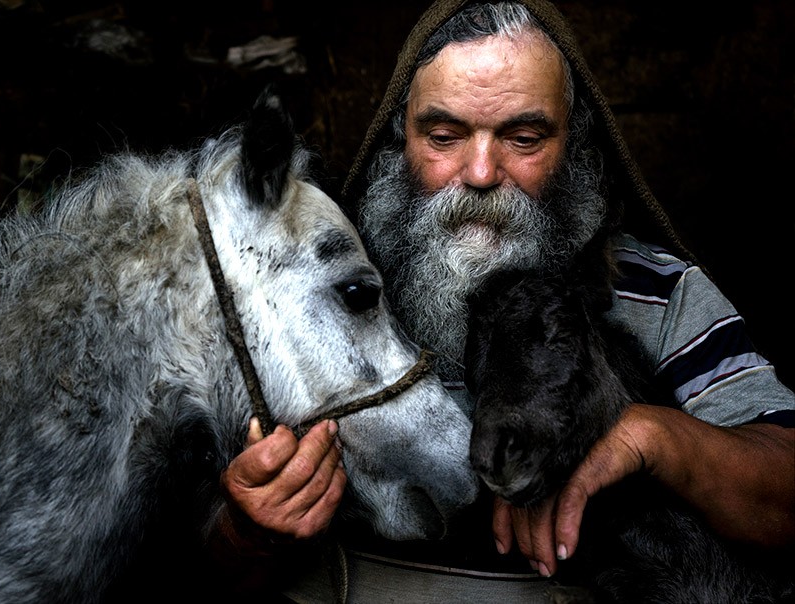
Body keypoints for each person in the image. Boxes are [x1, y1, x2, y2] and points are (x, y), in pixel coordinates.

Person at [207, 1, 795, 601]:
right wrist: (247, 536)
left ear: (576, 146)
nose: (482, 172)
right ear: (399, 140)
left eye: (523, 137)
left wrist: (647, 436)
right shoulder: (316, 293)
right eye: (444, 136)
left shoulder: (661, 292)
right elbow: (180, 575)